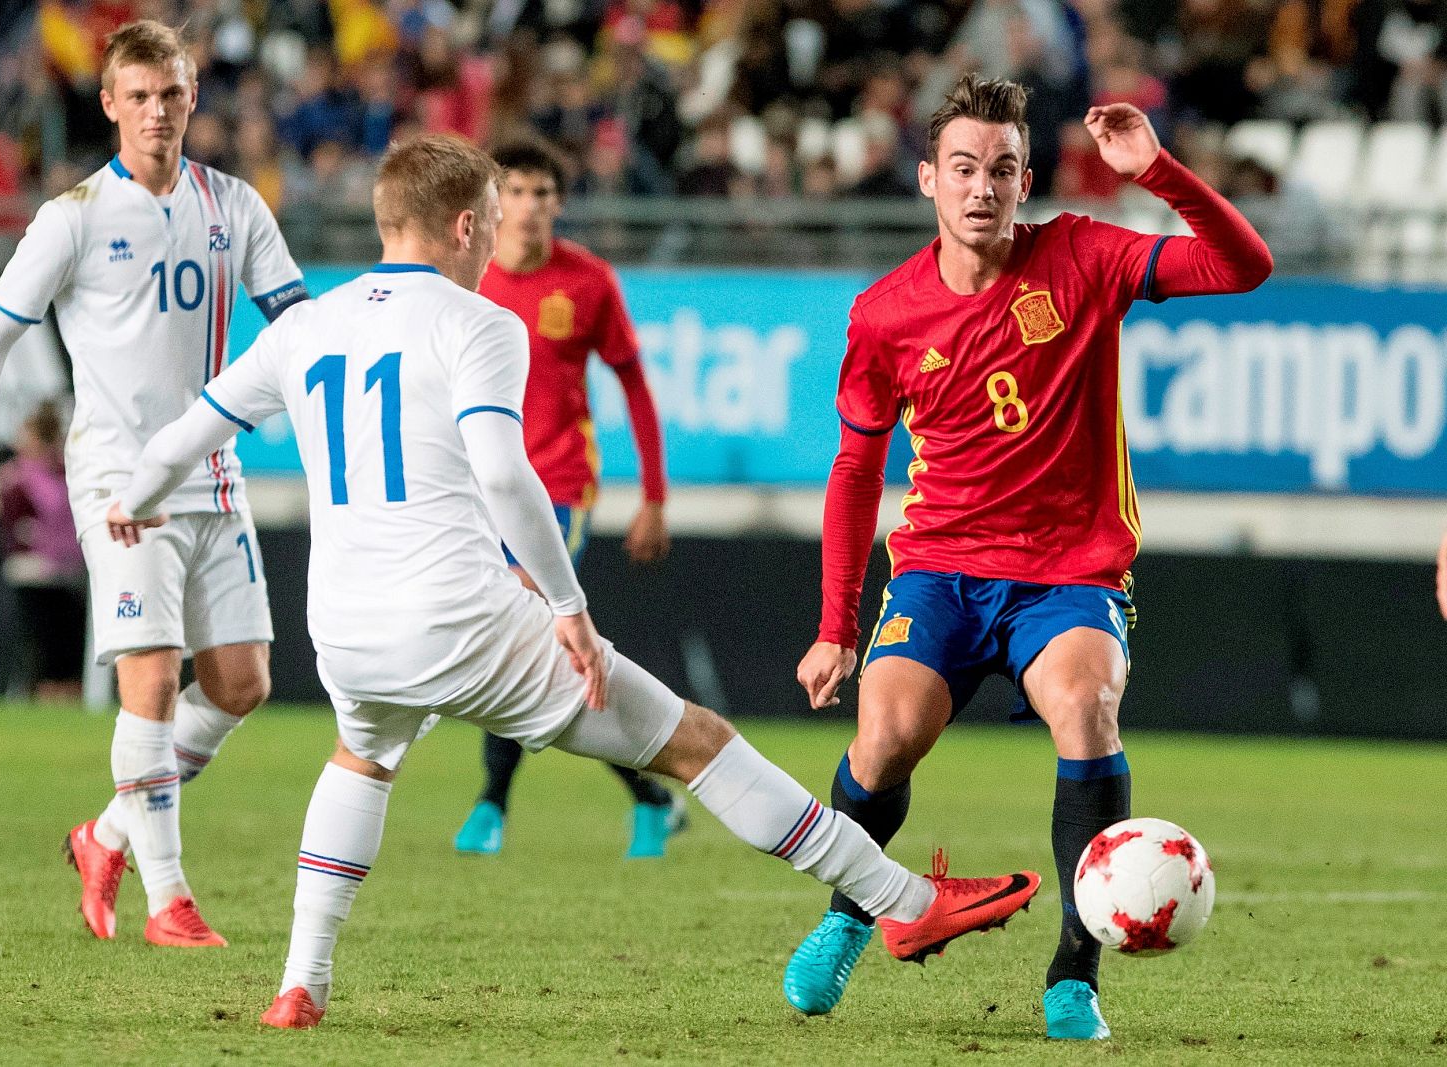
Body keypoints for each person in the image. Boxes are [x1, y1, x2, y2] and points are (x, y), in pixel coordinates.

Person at [104, 134, 1043, 1030]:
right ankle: (906, 900)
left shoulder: (303, 329)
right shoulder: (480, 322)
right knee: (696, 743)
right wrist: (570, 611)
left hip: (345, 629)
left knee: (364, 755)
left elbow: (187, 437)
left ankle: (299, 987)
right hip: (464, 620)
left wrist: (132, 500)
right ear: (468, 226)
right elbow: (509, 477)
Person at [783, 74, 1272, 1039]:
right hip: (940, 571)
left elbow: (1243, 267)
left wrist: (1160, 171)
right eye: (962, 168)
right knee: (882, 742)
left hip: (1069, 575)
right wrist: (836, 624)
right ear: (927, 179)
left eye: (1001, 170)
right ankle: (853, 910)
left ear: (1025, 179)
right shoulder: (885, 313)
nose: (982, 188)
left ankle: (1073, 974)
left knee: (1087, 707)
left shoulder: (1082, 254)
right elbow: (853, 469)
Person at [0, 20, 309, 949]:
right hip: (117, 480)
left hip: (212, 472)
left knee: (242, 680)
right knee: (150, 678)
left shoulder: (236, 206)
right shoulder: (72, 216)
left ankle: (103, 834)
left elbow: (300, 331)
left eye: (171, 94)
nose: (156, 111)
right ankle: (168, 898)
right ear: (108, 104)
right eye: (137, 96)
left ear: (193, 98)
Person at [456, 138, 679, 860]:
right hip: (476, 487)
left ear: (559, 201)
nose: (527, 207)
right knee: (530, 644)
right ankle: (649, 795)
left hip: (558, 484)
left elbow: (636, 388)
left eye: (541, 193)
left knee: (519, 625)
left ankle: (491, 803)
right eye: (515, 191)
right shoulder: (467, 276)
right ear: (495, 200)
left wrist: (653, 497)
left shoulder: (587, 281)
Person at [0, 400, 86, 702]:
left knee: (67, 646)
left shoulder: (68, 473)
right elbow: (13, 526)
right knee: (38, 645)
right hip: (31, 572)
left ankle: (64, 696)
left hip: (68, 572)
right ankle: (32, 694)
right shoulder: (15, 477)